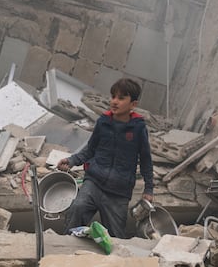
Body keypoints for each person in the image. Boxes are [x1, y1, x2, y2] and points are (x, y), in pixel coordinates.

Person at [57, 78, 154, 238]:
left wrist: (148, 188)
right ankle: (65, 250)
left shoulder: (138, 128)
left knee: (115, 238)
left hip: (119, 193)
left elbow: (145, 159)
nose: (114, 101)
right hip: (94, 183)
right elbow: (90, 150)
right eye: (113, 96)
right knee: (77, 209)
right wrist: (72, 161)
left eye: (121, 98)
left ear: (133, 105)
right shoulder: (103, 122)